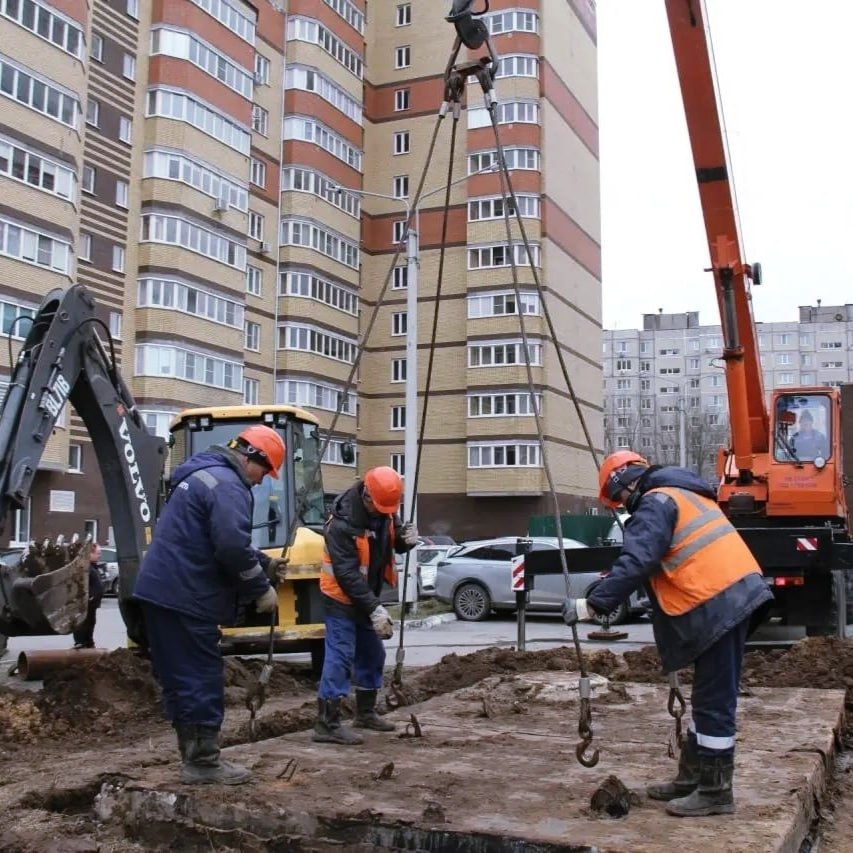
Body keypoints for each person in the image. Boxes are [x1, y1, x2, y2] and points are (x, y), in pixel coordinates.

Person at [562, 451, 772, 817]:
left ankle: (716, 791)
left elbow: (638, 560)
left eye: (619, 498)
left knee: (714, 701)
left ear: (626, 483)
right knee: (707, 697)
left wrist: (592, 605)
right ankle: (692, 778)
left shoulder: (656, 502)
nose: (622, 506)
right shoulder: (681, 494)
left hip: (720, 602)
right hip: (728, 598)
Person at [134, 424, 289, 785]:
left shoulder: (202, 475)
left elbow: (207, 537)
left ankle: (193, 755)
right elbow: (231, 546)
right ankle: (203, 762)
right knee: (201, 676)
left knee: (180, 678)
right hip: (186, 595)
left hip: (161, 592)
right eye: (264, 472)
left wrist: (264, 563)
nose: (260, 482)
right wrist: (261, 588)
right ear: (252, 458)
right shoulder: (229, 485)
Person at [314, 465, 418, 745]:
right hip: (340, 599)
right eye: (380, 508)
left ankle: (365, 713)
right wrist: (375, 609)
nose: (384, 513)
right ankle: (326, 724)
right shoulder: (340, 525)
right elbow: (347, 575)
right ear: (366, 496)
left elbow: (390, 541)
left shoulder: (384, 510)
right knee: (340, 657)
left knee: (373, 654)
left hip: (366, 596)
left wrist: (404, 540)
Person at [72, 542, 105, 649]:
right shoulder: (85, 568)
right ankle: (82, 643)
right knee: (84, 624)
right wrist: (90, 598)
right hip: (86, 604)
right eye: (98, 553)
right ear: (89, 554)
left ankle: (88, 643)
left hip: (91, 605)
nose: (100, 556)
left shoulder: (93, 567)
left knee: (90, 623)